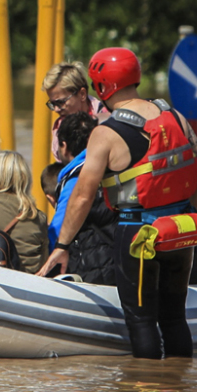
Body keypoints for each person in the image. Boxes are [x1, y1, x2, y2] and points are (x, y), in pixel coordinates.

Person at [36, 48, 197, 360]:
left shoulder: (106, 133)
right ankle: (181, 389)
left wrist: (63, 244)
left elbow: (83, 196)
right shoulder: (175, 116)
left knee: (141, 321)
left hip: (138, 235)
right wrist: (189, 213)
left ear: (100, 87)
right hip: (181, 230)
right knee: (175, 318)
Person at [44, 112, 117, 284]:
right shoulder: (110, 166)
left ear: (63, 145)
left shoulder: (74, 179)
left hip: (94, 269)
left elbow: (59, 229)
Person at [42, 62, 109, 161]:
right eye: (53, 104)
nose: (56, 109)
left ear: (82, 94)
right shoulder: (60, 127)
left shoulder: (107, 118)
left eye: (61, 102)